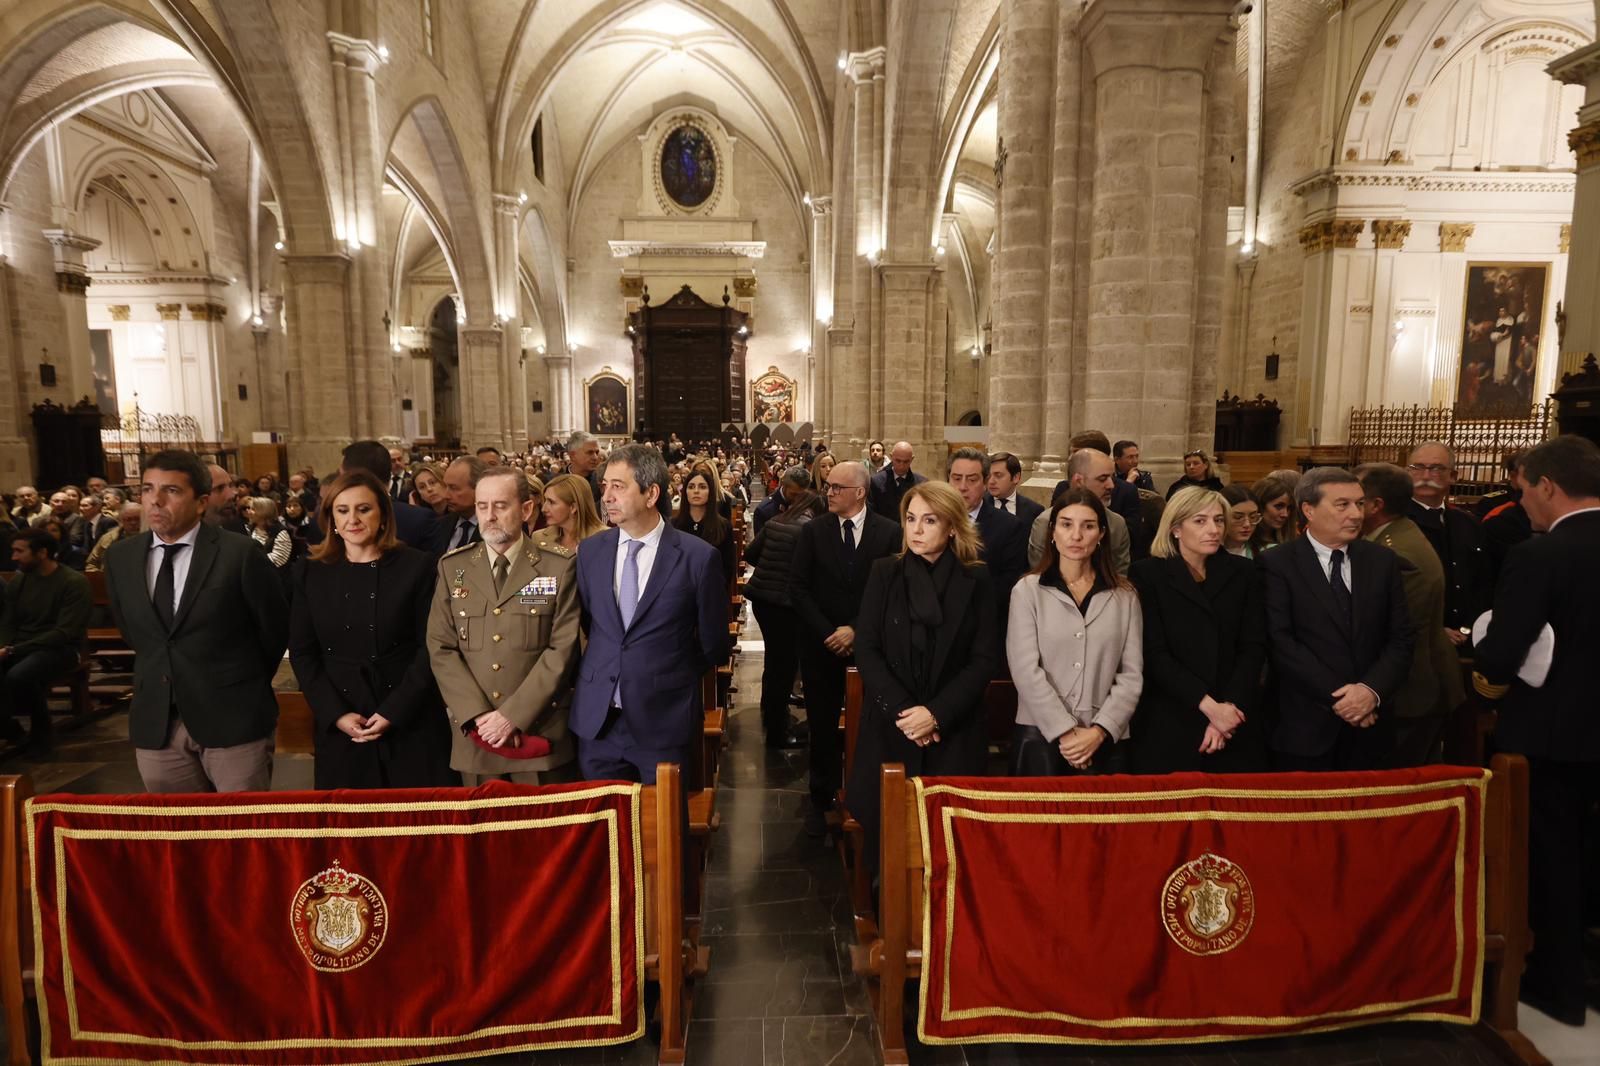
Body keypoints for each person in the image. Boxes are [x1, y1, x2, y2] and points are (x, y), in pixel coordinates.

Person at [1472, 435, 1600, 1027]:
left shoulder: (1540, 554)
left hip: (1553, 736)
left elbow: (1502, 655)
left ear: (1547, 485)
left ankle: (1557, 986)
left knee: (1549, 856)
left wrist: (1483, 659)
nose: (1521, 502)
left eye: (1524, 490)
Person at [104, 450, 290, 792]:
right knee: (180, 836)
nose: (155, 501)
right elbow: (135, 631)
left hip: (232, 717)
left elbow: (273, 630)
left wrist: (236, 681)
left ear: (201, 502)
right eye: (147, 489)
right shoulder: (121, 558)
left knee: (241, 833)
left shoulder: (239, 553)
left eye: (171, 491)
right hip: (158, 721)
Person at [846, 481, 1000, 872]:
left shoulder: (977, 578)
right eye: (910, 519)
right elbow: (867, 649)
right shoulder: (885, 573)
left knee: (951, 847)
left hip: (954, 728)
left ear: (952, 527)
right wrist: (907, 713)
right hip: (892, 726)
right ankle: (891, 917)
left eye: (929, 521)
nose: (916, 530)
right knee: (890, 842)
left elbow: (983, 659)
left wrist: (935, 714)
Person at [571, 445, 730, 785]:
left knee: (665, 832)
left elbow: (713, 644)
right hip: (599, 723)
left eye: (618, 486)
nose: (607, 497)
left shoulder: (697, 558)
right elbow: (593, 624)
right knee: (607, 833)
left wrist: (664, 668)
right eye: (604, 487)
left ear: (651, 493)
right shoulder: (590, 552)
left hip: (663, 719)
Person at [289, 472, 457, 789]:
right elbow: (302, 652)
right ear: (330, 519)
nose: (352, 519)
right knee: (353, 830)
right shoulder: (310, 572)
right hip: (340, 720)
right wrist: (336, 715)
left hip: (411, 718)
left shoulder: (419, 566)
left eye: (363, 509)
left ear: (382, 514)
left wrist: (394, 711)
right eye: (342, 510)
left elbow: (431, 647)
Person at [429, 467, 581, 784]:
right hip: (476, 738)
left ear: (526, 509)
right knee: (483, 832)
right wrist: (479, 716)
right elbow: (441, 647)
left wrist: (513, 716)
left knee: (545, 831)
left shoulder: (558, 566)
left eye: (500, 505)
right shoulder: (453, 567)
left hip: (539, 732)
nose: (490, 515)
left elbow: (563, 648)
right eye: (482, 506)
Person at [1260, 467, 1414, 771]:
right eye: (1342, 505)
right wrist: (1345, 700)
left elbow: (1401, 638)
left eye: (1359, 503)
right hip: (1305, 726)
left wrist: (1370, 692)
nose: (1356, 514)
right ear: (1309, 510)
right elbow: (1282, 643)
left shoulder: (1381, 561)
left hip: (1371, 726)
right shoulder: (1276, 563)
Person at [789, 459, 901, 835]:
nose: (829, 492)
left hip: (871, 645)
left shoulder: (888, 532)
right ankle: (821, 794)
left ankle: (864, 790)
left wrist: (855, 630)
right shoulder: (814, 531)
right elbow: (799, 588)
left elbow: (890, 593)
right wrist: (829, 633)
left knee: (870, 722)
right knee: (821, 722)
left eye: (837, 487)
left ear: (860, 492)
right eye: (829, 486)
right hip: (821, 645)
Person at [1130, 487, 1266, 773]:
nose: (1213, 529)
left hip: (1234, 714)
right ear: (1176, 528)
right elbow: (1154, 653)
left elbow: (1252, 648)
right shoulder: (1147, 574)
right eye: (1200, 521)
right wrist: (1209, 707)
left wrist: (1227, 710)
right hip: (1172, 712)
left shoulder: (1245, 572)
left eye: (1218, 520)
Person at [1009, 488, 1142, 776]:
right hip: (1040, 736)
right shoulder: (1028, 591)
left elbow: (1131, 674)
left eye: (1088, 526)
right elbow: (1024, 670)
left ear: (1102, 534)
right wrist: (1066, 732)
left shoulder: (1125, 595)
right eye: (1067, 524)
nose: (1077, 535)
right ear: (1052, 532)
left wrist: (1100, 730)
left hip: (1104, 737)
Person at [1357, 463, 1464, 766]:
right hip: (1414, 687)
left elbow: (1391, 631)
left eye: (1355, 500)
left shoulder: (1395, 552)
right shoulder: (1394, 535)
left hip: (1414, 691)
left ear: (1375, 505)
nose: (1349, 508)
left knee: (1402, 787)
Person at [744, 485, 824, 748]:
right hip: (785, 606)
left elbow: (750, 554)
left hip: (763, 602)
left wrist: (770, 569)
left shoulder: (777, 520)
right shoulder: (808, 530)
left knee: (774, 661)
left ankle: (770, 713)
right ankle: (778, 734)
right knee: (784, 667)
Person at [0, 529, 91, 748]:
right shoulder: (19, 582)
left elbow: (64, 632)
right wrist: (2, 645)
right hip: (23, 646)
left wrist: (13, 650)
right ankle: (7, 726)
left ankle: (42, 730)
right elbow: (8, 622)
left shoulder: (73, 582)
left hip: (61, 649)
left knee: (19, 675)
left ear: (42, 553)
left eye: (19, 551)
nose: (13, 557)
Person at [1404, 442, 1491, 654]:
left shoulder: (1467, 523)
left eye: (1436, 468)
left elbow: (1485, 581)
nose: (1425, 475)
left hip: (1468, 638)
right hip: (1417, 641)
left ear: (1453, 475)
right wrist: (1435, 629)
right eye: (1418, 467)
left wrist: (1470, 626)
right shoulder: (1398, 522)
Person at [1029, 449, 1131, 576]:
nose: (1111, 485)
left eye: (1112, 478)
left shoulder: (1117, 524)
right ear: (1078, 482)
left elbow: (1119, 575)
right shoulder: (1045, 522)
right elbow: (1040, 574)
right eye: (1102, 479)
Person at [948, 447, 1028, 605]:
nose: (962, 487)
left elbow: (1007, 585)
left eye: (971, 480)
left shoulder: (1009, 527)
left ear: (985, 483)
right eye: (956, 478)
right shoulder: (931, 519)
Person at [672, 468, 736, 593]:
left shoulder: (723, 526)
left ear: (710, 492)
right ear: (685, 492)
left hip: (711, 591)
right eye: (691, 487)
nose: (696, 491)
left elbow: (728, 566)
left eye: (702, 487)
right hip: (679, 593)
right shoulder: (673, 525)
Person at [429, 455, 487, 554]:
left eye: (454, 488)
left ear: (479, 488)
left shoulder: (499, 529)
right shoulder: (439, 526)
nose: (446, 495)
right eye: (446, 486)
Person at [535, 473, 606, 552]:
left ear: (573, 507)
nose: (543, 509)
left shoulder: (605, 539)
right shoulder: (539, 538)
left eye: (551, 502)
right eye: (545, 501)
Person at [868, 440, 926, 519]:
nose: (901, 466)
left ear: (912, 459)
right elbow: (871, 513)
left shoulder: (921, 484)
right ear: (891, 457)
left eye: (906, 462)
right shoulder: (877, 481)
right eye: (898, 461)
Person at [985, 451, 1044, 525]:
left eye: (998, 475)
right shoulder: (977, 505)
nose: (991, 481)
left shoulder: (1034, 511)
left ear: (1016, 477)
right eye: (988, 476)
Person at [85, 502, 142, 572]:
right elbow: (91, 563)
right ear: (121, 521)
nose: (133, 523)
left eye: (137, 519)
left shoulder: (154, 537)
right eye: (128, 519)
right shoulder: (108, 538)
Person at [753, 465, 809, 537]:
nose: (797, 499)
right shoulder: (764, 510)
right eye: (793, 494)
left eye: (801, 495)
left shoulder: (808, 505)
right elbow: (759, 544)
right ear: (784, 485)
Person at [1250, 474, 1298, 551]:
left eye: (1289, 508)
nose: (1285, 514)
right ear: (1260, 505)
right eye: (1279, 506)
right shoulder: (1243, 545)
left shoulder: (1293, 543)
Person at [245, 496, 294, 568]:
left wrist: (252, 560)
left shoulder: (280, 532)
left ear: (264, 512)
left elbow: (278, 560)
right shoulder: (250, 528)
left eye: (253, 509)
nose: (248, 512)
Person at [565, 430, 606, 509]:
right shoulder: (555, 481)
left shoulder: (603, 481)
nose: (595, 457)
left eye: (597, 452)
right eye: (590, 452)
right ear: (573, 455)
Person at [1220, 484, 1261, 558]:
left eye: (1253, 517)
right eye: (1238, 517)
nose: (1247, 524)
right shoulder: (1205, 553)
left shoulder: (1268, 552)